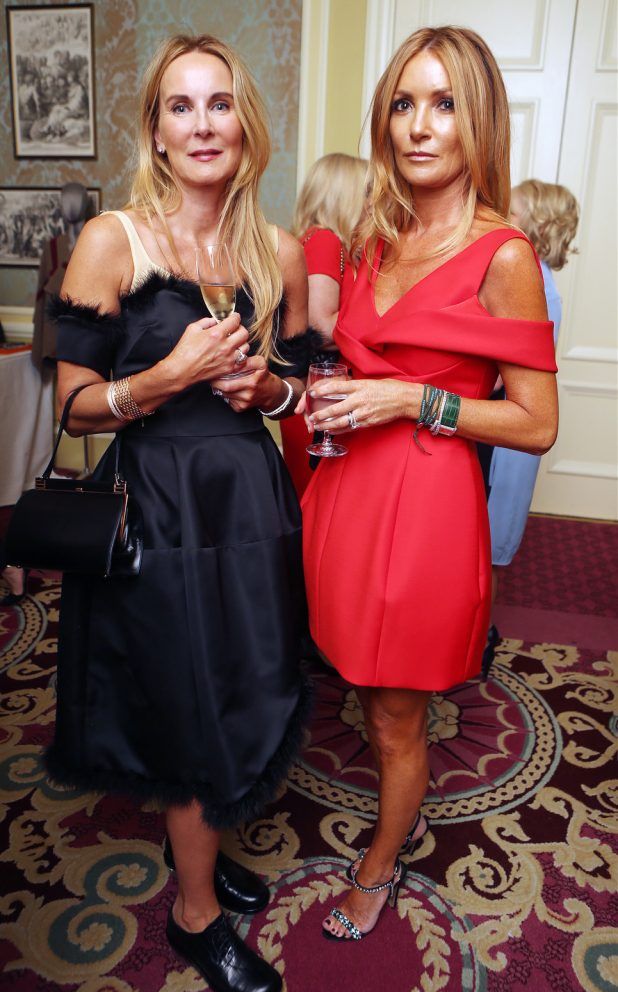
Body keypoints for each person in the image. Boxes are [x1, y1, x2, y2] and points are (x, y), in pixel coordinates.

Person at [45, 34, 311, 992]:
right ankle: (196, 912)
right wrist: (162, 378)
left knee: (246, 682)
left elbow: (307, 398)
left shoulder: (279, 253)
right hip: (160, 514)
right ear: (154, 132)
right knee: (190, 697)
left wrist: (264, 389)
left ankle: (207, 863)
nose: (202, 124)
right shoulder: (114, 239)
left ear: (247, 127)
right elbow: (73, 406)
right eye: (180, 106)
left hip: (251, 510)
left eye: (220, 103)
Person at [300, 26, 558, 942]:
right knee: (348, 673)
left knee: (396, 715)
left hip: (428, 509)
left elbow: (536, 422)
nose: (420, 126)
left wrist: (416, 400)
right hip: (349, 492)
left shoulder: (506, 256)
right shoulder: (377, 234)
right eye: (404, 103)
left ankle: (380, 859)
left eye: (444, 104)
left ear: (477, 119)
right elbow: (353, 353)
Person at [481, 179, 579, 676]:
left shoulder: (532, 284)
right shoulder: (531, 276)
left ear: (535, 227)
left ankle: (478, 637)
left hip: (510, 434)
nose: (502, 216)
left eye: (512, 211)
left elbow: (509, 374)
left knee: (490, 543)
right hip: (505, 430)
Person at [282, 153, 368, 497]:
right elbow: (319, 324)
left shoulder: (316, 240)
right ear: (344, 196)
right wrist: (386, 329)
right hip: (319, 395)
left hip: (320, 394)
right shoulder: (325, 241)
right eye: (367, 192)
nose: (374, 202)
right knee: (318, 502)